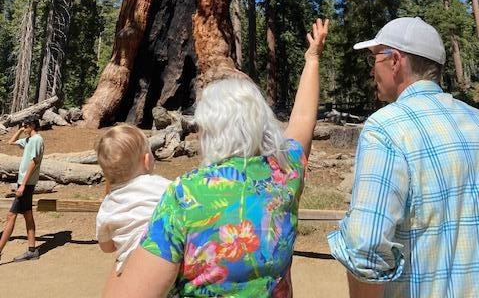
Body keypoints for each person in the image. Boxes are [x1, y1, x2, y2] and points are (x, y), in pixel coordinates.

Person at [104, 18, 329, 298]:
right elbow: (304, 118)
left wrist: (123, 259)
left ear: (208, 131)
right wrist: (312, 58)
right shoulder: (285, 173)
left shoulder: (185, 195)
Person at [328, 16, 479, 298]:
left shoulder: (386, 129)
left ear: (395, 61)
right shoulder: (476, 120)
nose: (372, 72)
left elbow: (366, 250)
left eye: (374, 60)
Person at [95, 125, 171, 282]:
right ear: (147, 160)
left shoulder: (107, 206)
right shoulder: (165, 186)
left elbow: (106, 247)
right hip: (168, 258)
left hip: (133, 272)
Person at [0, 114, 44, 262]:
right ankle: (32, 251)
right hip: (24, 183)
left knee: (11, 216)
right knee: (28, 215)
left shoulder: (37, 140)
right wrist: (19, 130)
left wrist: (23, 184)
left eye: (25, 125)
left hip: (26, 184)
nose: (24, 127)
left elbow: (33, 162)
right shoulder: (28, 140)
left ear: (32, 126)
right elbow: (11, 142)